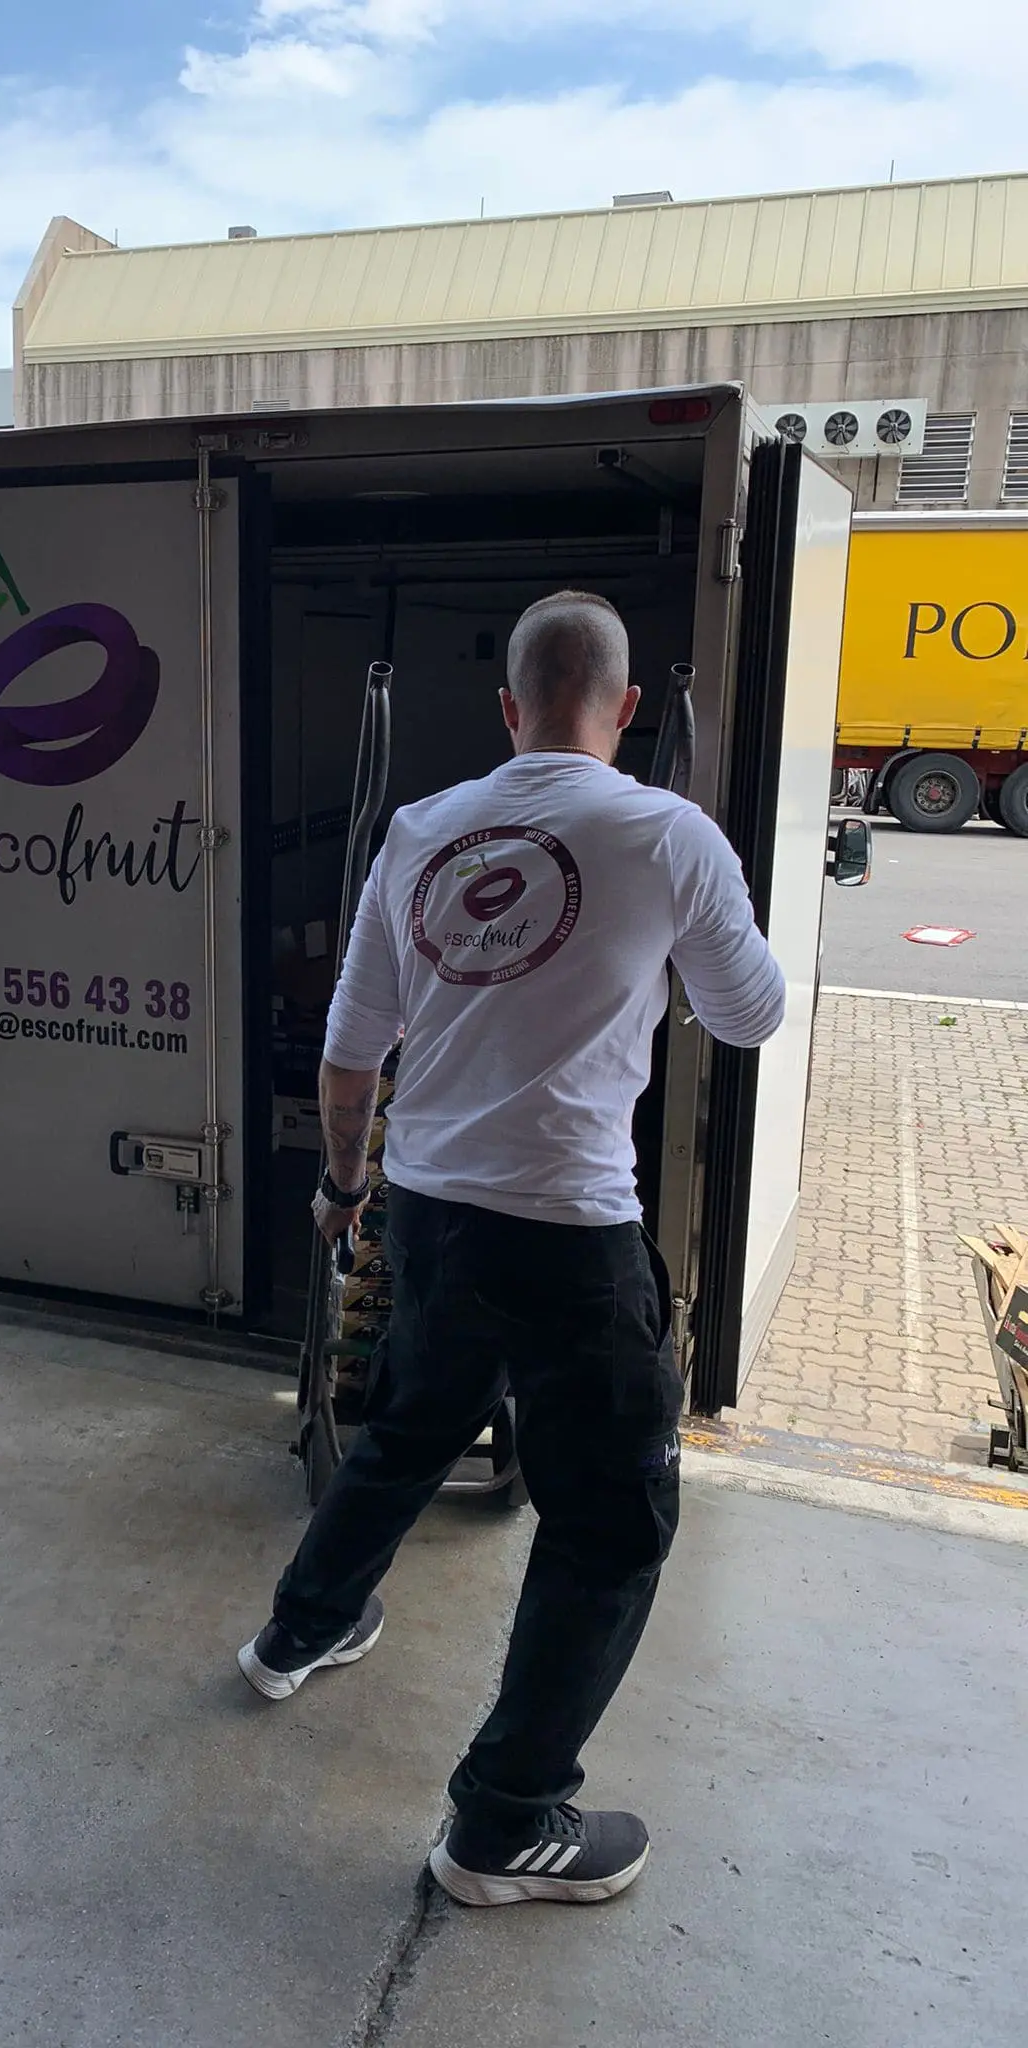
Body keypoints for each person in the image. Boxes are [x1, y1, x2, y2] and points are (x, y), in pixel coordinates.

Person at [237, 590, 786, 1908]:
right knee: (607, 1530)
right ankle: (505, 1823)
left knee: (413, 1426)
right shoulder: (668, 834)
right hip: (574, 1238)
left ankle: (299, 1631)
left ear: (506, 709)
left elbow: (352, 1048)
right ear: (629, 706)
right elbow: (749, 1015)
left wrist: (348, 1187)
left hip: (432, 1215)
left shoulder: (421, 831)